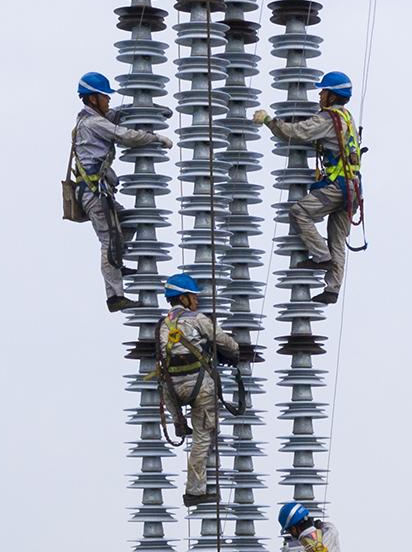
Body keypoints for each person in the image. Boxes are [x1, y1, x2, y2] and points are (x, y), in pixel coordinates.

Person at [252, 71, 360, 304]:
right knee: (338, 239)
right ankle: (332, 290)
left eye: (323, 91)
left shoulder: (327, 119)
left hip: (337, 187)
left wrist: (270, 122)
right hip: (353, 189)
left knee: (299, 212)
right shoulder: (347, 117)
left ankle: (321, 257)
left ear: (333, 96)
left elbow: (296, 132)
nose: (320, 95)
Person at [68, 72, 167, 312]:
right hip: (94, 194)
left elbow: (113, 116)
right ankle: (115, 296)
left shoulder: (92, 119)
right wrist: (155, 137)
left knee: (129, 223)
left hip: (99, 193)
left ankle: (116, 264)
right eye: (104, 96)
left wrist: (150, 111)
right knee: (108, 241)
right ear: (93, 99)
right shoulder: (93, 123)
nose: (108, 101)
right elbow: (124, 136)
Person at [156, 272, 242, 508]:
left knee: (166, 389)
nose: (196, 301)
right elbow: (224, 341)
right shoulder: (198, 320)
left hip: (172, 389)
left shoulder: (163, 325)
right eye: (193, 297)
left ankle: (178, 422)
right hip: (199, 386)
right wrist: (236, 351)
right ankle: (195, 491)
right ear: (183, 298)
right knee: (202, 437)